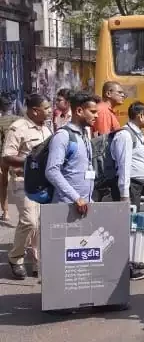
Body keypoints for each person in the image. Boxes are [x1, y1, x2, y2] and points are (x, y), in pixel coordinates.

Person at [3, 94, 52, 279]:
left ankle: (37, 262)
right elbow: (7, 157)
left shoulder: (46, 130)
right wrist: (31, 162)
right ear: (34, 110)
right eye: (46, 108)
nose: (49, 111)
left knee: (40, 224)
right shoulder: (18, 128)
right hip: (22, 182)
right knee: (29, 221)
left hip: (43, 184)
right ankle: (15, 258)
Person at [109, 101, 144, 281]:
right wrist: (124, 194)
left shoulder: (137, 135)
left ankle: (132, 261)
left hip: (136, 186)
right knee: (125, 228)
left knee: (132, 227)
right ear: (140, 115)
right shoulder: (125, 136)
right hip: (129, 188)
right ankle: (123, 268)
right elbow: (124, 167)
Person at [45, 92, 98, 212]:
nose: (97, 116)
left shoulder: (84, 134)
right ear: (79, 111)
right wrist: (76, 197)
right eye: (93, 112)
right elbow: (52, 171)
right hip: (66, 208)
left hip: (83, 206)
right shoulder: (63, 136)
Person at [0, 94, 19, 221]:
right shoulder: (20, 120)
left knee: (3, 184)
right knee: (20, 184)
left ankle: (6, 212)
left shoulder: (0, 122)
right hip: (19, 157)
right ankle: (23, 211)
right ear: (12, 106)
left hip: (4, 157)